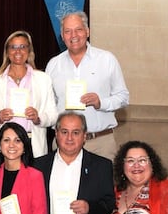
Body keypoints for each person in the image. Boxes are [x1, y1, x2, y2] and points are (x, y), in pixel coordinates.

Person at [46, 11, 129, 160]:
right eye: (68, 31)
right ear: (62, 36)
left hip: (100, 143)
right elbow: (48, 105)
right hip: (64, 144)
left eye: (78, 29)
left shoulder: (107, 60)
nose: (73, 35)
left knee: (102, 184)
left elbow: (123, 97)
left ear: (87, 31)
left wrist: (100, 102)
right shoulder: (53, 65)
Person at [0, 31, 58, 157]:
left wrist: (38, 118)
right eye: (13, 47)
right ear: (7, 51)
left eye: (23, 47)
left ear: (29, 50)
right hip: (3, 145)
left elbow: (53, 116)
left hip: (32, 144)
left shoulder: (43, 79)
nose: (18, 51)